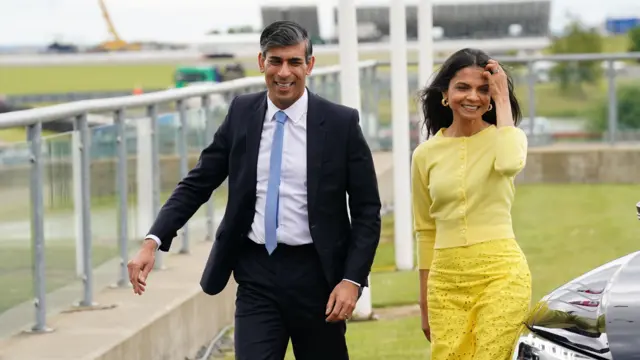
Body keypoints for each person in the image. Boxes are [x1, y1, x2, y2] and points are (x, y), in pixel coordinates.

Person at [127, 20, 382, 360]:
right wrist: (152, 240)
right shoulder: (241, 113)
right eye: (275, 61)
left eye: (294, 62)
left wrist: (352, 280)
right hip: (256, 273)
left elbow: (367, 210)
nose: (284, 72)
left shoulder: (340, 124)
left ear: (309, 65)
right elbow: (199, 181)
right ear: (261, 63)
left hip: (319, 277)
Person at [411, 48, 532, 359]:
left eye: (483, 89)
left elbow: (508, 164)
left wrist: (503, 98)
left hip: (501, 275)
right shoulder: (425, 154)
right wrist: (424, 301)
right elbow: (425, 230)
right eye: (462, 87)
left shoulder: (507, 138)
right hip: (445, 284)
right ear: (445, 93)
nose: (473, 97)